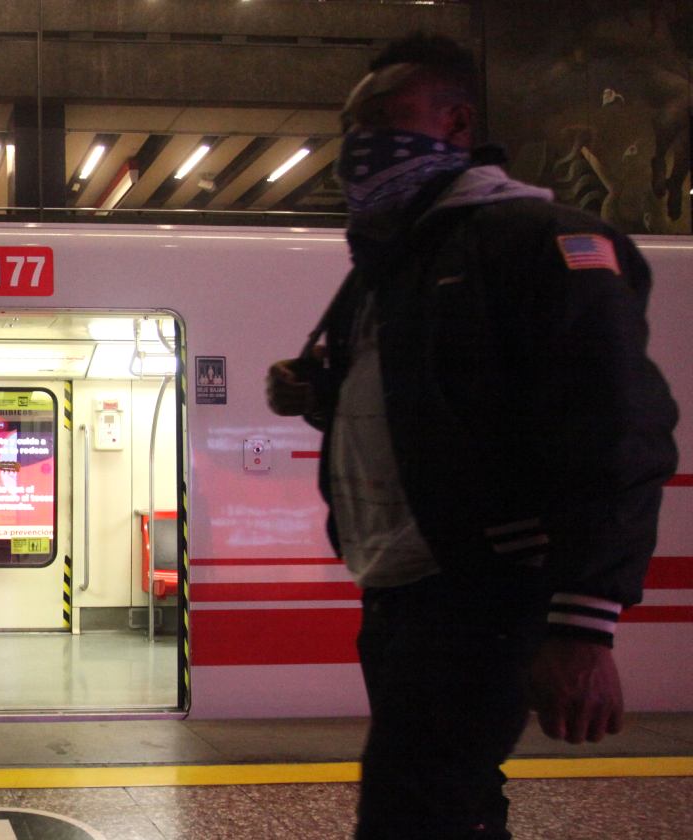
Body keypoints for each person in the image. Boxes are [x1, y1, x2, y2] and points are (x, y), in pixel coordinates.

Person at [265, 34, 678, 840]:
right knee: (438, 805)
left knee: (419, 809)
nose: (359, 144)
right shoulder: (390, 271)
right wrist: (323, 395)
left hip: (483, 590)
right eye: (351, 128)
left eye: (383, 118)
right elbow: (434, 412)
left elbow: (617, 426)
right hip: (400, 588)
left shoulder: (533, 240)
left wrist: (582, 625)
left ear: (456, 123)